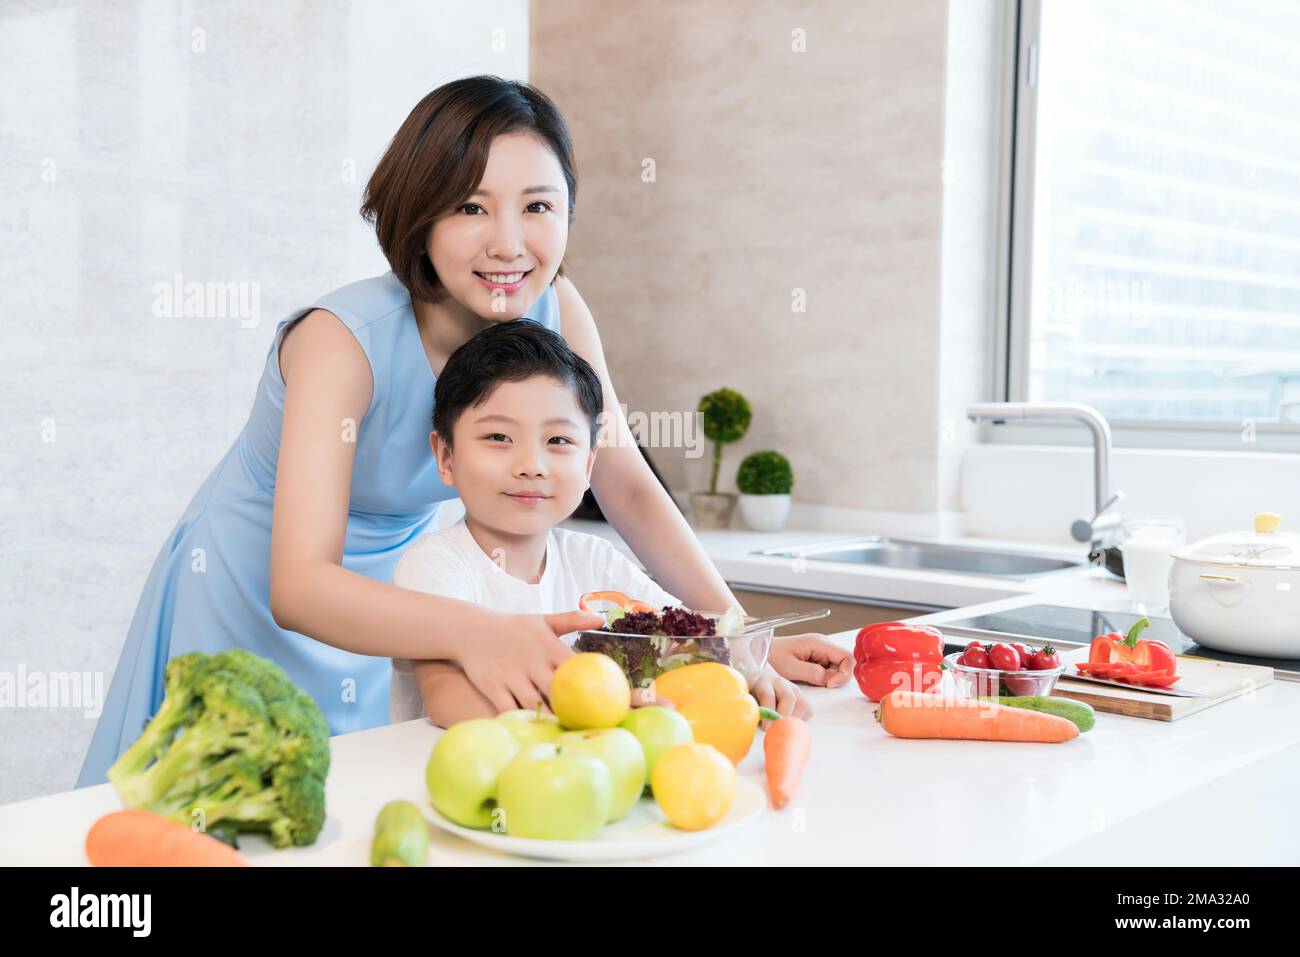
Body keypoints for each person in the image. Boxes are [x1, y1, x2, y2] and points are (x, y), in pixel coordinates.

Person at [78, 75, 849, 787]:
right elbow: (300, 583)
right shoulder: (340, 341)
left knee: (367, 800)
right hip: (256, 585)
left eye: (538, 207)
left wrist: (736, 637)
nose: (510, 244)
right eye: (471, 207)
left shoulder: (557, 308)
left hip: (398, 599)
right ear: (418, 214)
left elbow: (625, 485)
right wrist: (477, 632)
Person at [390, 320, 848, 726]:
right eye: (498, 437)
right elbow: (446, 698)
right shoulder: (436, 566)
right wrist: (597, 712)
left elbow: (685, 638)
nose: (531, 464)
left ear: (589, 465)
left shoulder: (594, 561)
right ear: (445, 457)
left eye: (557, 439)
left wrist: (759, 651)